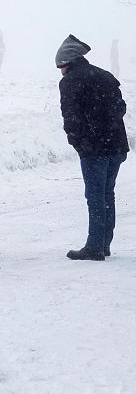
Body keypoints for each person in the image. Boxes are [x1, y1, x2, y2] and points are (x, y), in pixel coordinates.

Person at [56, 35, 129, 260]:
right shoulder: (105, 76)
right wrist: (108, 127)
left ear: (65, 63)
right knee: (108, 194)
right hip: (116, 146)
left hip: (94, 149)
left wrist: (79, 143)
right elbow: (121, 107)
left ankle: (95, 247)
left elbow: (71, 118)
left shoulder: (69, 82)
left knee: (95, 196)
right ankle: (104, 243)